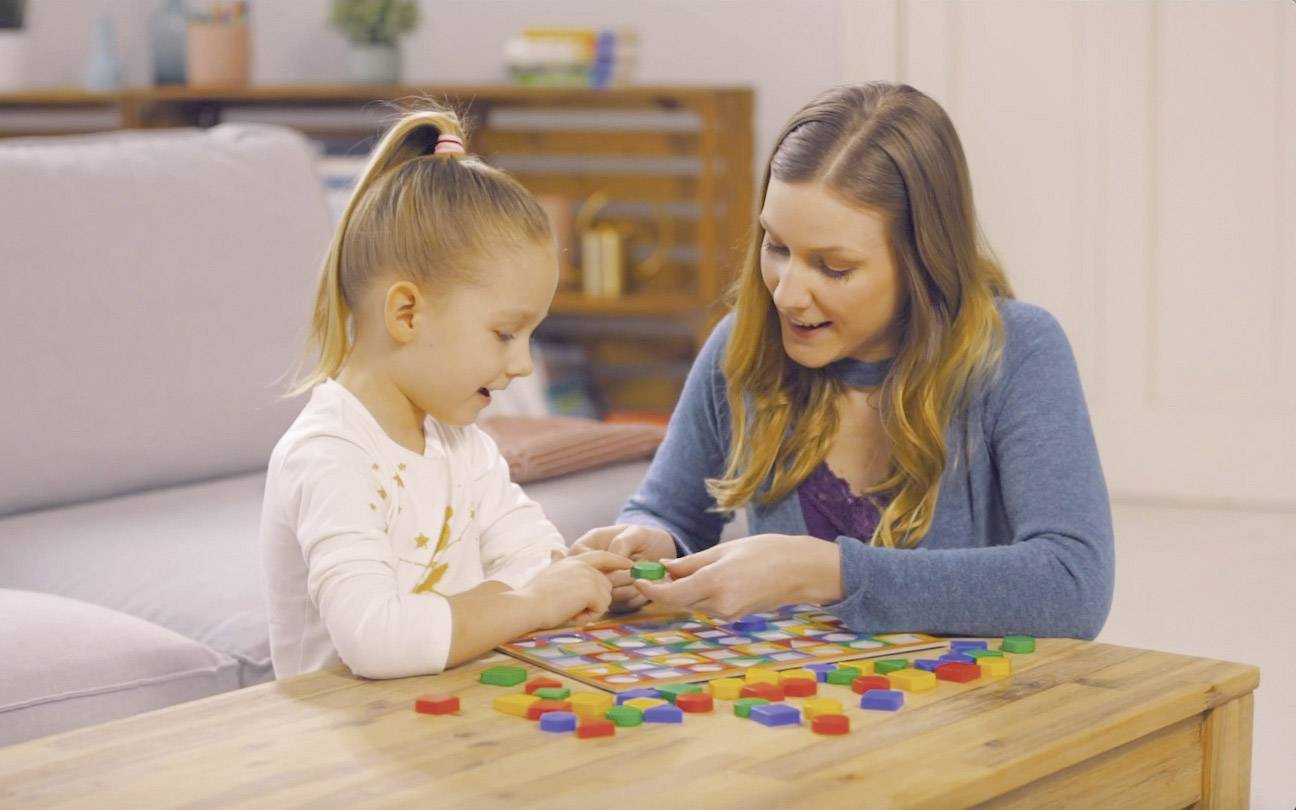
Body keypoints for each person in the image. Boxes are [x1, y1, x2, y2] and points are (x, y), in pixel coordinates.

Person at [574, 83, 1114, 639]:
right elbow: (669, 514)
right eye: (776, 247)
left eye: (833, 268)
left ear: (923, 260)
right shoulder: (742, 345)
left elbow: (1073, 585)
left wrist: (827, 572)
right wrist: (649, 544)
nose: (787, 295)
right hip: (789, 689)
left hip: (978, 694)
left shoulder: (1019, 349)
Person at [260, 108, 621, 680]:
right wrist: (529, 602)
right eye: (505, 333)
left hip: (447, 714)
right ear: (407, 313)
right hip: (344, 732)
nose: (523, 365)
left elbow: (535, 554)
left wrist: (569, 581)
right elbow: (377, 641)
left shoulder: (460, 443)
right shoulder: (329, 454)